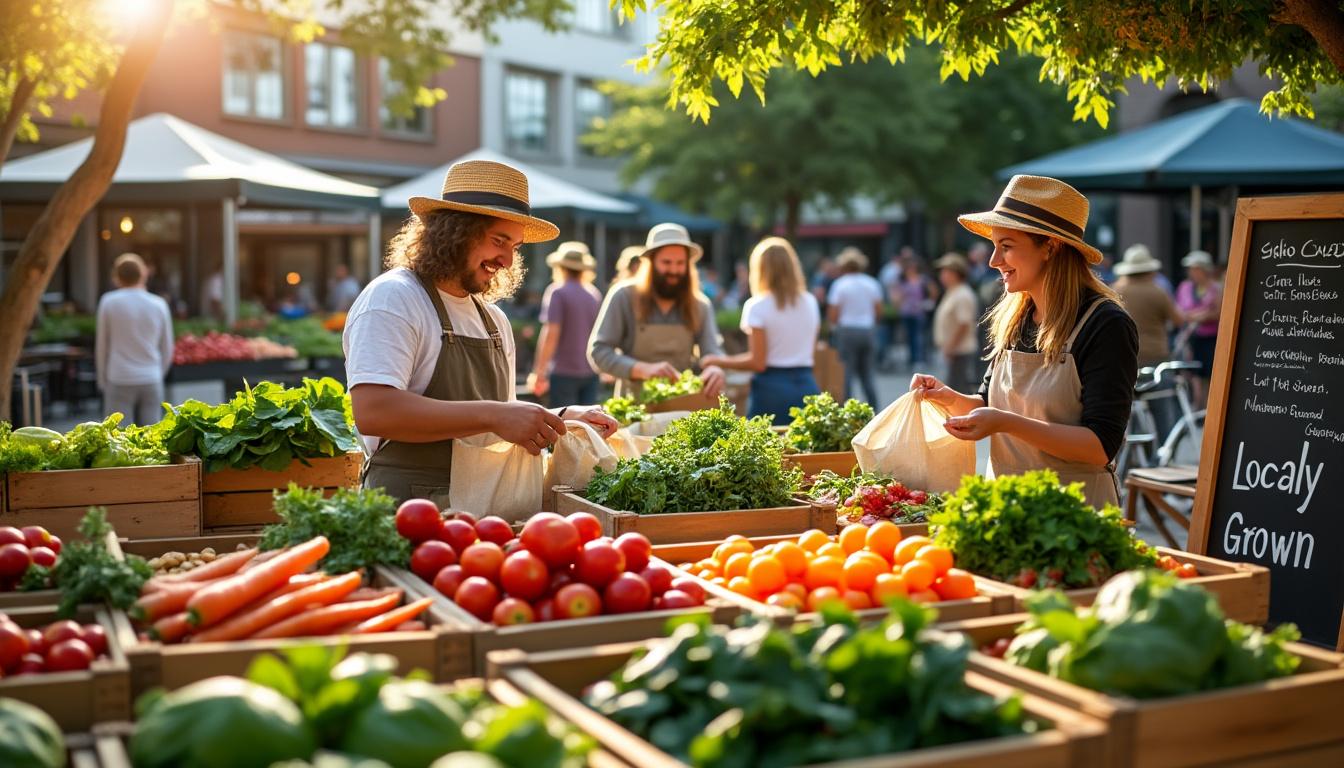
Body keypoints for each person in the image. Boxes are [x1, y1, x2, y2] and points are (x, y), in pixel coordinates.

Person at [343, 159, 617, 504]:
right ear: (453, 232)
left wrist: (560, 418)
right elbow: (374, 411)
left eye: (514, 247)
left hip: (486, 504)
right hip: (411, 508)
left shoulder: (493, 320)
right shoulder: (394, 297)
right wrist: (495, 414)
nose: (506, 260)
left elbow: (498, 415)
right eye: (498, 240)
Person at [911, 175, 1139, 510]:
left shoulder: (1106, 324)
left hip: (1075, 515)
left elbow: (1099, 445)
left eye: (1006, 246)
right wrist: (946, 397)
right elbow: (987, 405)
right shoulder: (1016, 317)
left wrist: (1006, 423)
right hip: (1010, 507)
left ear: (1050, 246)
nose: (993, 261)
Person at [588, 222, 726, 398]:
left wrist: (715, 368)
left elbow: (712, 351)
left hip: (684, 405)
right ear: (650, 262)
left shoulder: (700, 305)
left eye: (680, 263)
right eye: (666, 262)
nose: (674, 270)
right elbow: (599, 351)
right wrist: (643, 369)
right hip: (633, 405)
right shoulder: (623, 296)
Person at [701, 237, 820, 423]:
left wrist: (718, 360)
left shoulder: (757, 305)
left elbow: (758, 362)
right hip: (807, 385)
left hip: (771, 389)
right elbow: (809, 352)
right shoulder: (810, 301)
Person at [95, 253, 174, 426]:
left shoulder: (108, 302)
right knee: (151, 437)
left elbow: (102, 346)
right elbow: (167, 347)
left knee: (119, 440)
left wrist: (102, 380)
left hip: (118, 377)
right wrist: (158, 373)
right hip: (151, 377)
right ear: (143, 274)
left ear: (116, 277)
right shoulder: (159, 304)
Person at [529, 241, 603, 407]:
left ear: (560, 267)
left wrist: (539, 372)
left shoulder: (557, 291)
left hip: (564, 372)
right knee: (588, 426)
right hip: (590, 371)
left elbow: (551, 333)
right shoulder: (593, 294)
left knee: (565, 425)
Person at [827, 246, 883, 405]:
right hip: (867, 330)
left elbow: (833, 314)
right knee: (868, 374)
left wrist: (833, 328)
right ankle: (875, 409)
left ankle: (847, 411)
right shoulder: (872, 283)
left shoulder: (840, 285)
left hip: (847, 331)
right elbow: (878, 310)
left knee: (846, 374)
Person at [1113, 244, 1184, 367]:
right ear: (1150, 271)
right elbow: (1178, 320)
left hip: (1125, 353)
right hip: (1155, 354)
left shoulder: (1115, 291)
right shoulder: (1158, 292)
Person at [1175, 250, 1221, 408]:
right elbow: (1179, 311)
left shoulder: (1216, 288)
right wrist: (1199, 314)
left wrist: (1200, 316)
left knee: (1210, 373)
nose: (1191, 272)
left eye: (1195, 268)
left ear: (1204, 269)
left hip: (1211, 338)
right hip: (1191, 337)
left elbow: (1219, 312)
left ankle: (1209, 407)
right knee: (1192, 373)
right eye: (1190, 269)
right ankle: (1196, 405)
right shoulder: (1185, 287)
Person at [931, 252, 980, 394]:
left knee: (957, 392)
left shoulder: (962, 294)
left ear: (956, 273)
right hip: (954, 351)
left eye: (946, 271)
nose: (942, 275)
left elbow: (964, 324)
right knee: (955, 390)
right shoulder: (953, 291)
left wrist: (950, 347)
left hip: (959, 351)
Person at [895, 254, 935, 365]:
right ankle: (912, 358)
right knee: (909, 336)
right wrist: (899, 305)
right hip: (906, 311)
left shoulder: (922, 279)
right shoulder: (902, 281)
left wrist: (929, 302)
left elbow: (933, 290)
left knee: (918, 336)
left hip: (918, 311)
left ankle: (919, 358)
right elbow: (897, 295)